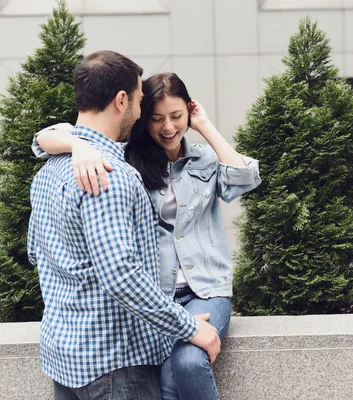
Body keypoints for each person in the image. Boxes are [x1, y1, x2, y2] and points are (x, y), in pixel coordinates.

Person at [33, 72, 261, 400]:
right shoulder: (122, 161)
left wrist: (206, 126)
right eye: (156, 118)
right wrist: (78, 145)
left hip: (204, 289)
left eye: (176, 117)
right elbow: (42, 139)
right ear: (141, 116)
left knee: (188, 362)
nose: (168, 127)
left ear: (189, 112)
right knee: (165, 386)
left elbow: (245, 179)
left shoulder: (203, 159)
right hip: (157, 295)